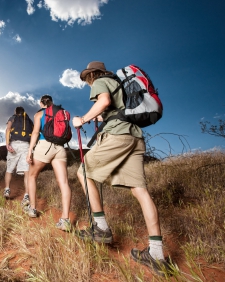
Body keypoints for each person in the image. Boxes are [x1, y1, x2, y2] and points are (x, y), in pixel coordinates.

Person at [72, 61, 172, 277]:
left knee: (83, 172)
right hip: (134, 138)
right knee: (140, 190)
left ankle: (100, 228)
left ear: (92, 75)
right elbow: (113, 110)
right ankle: (157, 254)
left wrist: (82, 119)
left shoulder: (100, 82)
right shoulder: (119, 84)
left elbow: (104, 100)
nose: (88, 82)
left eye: (87, 79)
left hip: (117, 137)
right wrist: (98, 117)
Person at [25, 95, 72, 231]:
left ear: (41, 103)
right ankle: (65, 220)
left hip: (44, 146)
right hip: (60, 148)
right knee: (64, 183)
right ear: (52, 102)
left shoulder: (39, 114)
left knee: (32, 176)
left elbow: (35, 133)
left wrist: (30, 151)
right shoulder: (60, 112)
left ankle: (33, 209)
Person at [4, 106, 33, 207]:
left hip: (14, 144)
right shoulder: (29, 120)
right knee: (27, 172)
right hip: (26, 145)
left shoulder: (13, 117)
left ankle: (7, 189)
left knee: (9, 169)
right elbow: (34, 134)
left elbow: (8, 130)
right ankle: (27, 195)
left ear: (15, 111)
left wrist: (7, 144)